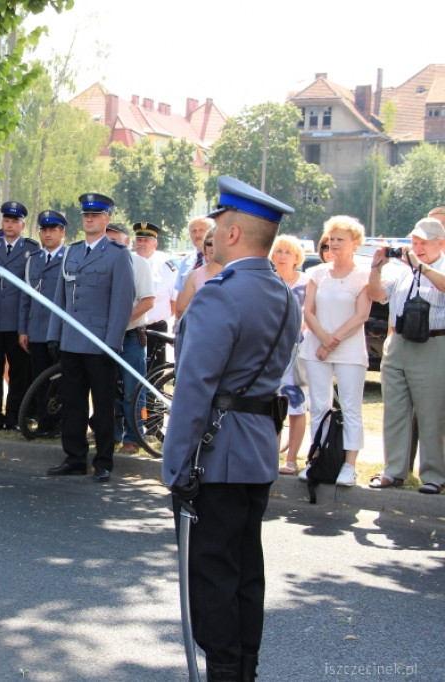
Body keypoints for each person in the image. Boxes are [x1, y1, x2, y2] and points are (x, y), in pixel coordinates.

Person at [163, 175, 299, 682]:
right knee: (246, 572)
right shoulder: (285, 295)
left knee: (212, 575)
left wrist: (174, 464)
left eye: (220, 223)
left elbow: (195, 389)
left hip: (214, 455)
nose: (213, 232)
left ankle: (223, 672)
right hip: (258, 451)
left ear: (236, 233)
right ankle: (244, 669)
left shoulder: (220, 295)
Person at [45, 193, 134, 482]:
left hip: (99, 344)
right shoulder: (70, 253)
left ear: (107, 219)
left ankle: (104, 460)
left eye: (95, 215)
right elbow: (60, 297)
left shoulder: (117, 254)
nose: (90, 219)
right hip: (71, 341)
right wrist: (54, 334)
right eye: (86, 215)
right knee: (72, 402)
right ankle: (74, 457)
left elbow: (121, 303)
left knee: (104, 404)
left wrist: (112, 343)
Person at [368, 217, 445, 495]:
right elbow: (377, 295)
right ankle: (394, 471)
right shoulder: (401, 270)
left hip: (433, 343)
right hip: (399, 342)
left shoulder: (436, 265)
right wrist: (377, 267)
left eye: (424, 243)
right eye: (414, 242)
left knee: (431, 412)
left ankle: (435, 475)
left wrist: (420, 267)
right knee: (395, 411)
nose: (417, 247)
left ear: (441, 244)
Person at [296, 219, 370, 485]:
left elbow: (361, 315)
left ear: (355, 243)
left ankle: (349, 465)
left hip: (348, 350)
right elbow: (308, 310)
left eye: (340, 239)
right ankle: (316, 459)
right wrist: (323, 339)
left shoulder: (363, 275)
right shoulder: (317, 272)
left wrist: (332, 341)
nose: (334, 243)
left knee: (350, 407)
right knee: (318, 406)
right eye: (331, 238)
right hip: (316, 348)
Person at [0, 200, 40, 430]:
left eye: (14, 221)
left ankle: (15, 416)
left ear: (23, 225)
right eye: (6, 220)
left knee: (19, 373)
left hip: (17, 323)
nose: (9, 225)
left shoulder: (32, 249)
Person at [107, 222, 155, 455]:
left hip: (131, 336)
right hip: (105, 336)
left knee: (132, 390)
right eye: (108, 241)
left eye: (116, 241)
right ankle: (112, 434)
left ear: (127, 242)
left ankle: (133, 438)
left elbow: (147, 301)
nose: (112, 245)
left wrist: (119, 322)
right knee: (108, 388)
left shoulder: (139, 263)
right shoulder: (102, 263)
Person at [18, 210, 67, 433]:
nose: (48, 234)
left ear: (62, 233)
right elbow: (25, 298)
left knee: (61, 381)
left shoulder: (69, 258)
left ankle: (60, 423)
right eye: (44, 230)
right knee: (40, 380)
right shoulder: (33, 260)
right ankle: (44, 422)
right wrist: (23, 329)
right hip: (36, 329)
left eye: (53, 230)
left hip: (59, 331)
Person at [269, 235, 313, 476]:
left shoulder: (307, 282)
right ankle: (270, 455)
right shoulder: (268, 282)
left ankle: (292, 459)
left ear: (297, 257)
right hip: (271, 353)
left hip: (298, 352)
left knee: (296, 406)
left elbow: (312, 314)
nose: (282, 256)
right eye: (278, 251)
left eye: (287, 252)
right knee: (272, 405)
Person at [134, 222, 177, 375]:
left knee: (154, 376)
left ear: (155, 244)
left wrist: (156, 317)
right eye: (139, 239)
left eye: (146, 240)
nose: (141, 243)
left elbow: (174, 302)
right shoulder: (125, 262)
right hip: (131, 329)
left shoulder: (166, 267)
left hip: (154, 330)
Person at [174, 226, 221, 319]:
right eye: (209, 243)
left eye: (217, 243)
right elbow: (181, 309)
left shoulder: (235, 273)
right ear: (205, 247)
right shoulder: (195, 275)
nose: (212, 247)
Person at [173, 215, 214, 297]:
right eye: (193, 231)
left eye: (201, 230)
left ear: (211, 232)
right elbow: (180, 293)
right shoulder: (186, 261)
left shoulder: (220, 258)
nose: (197, 234)